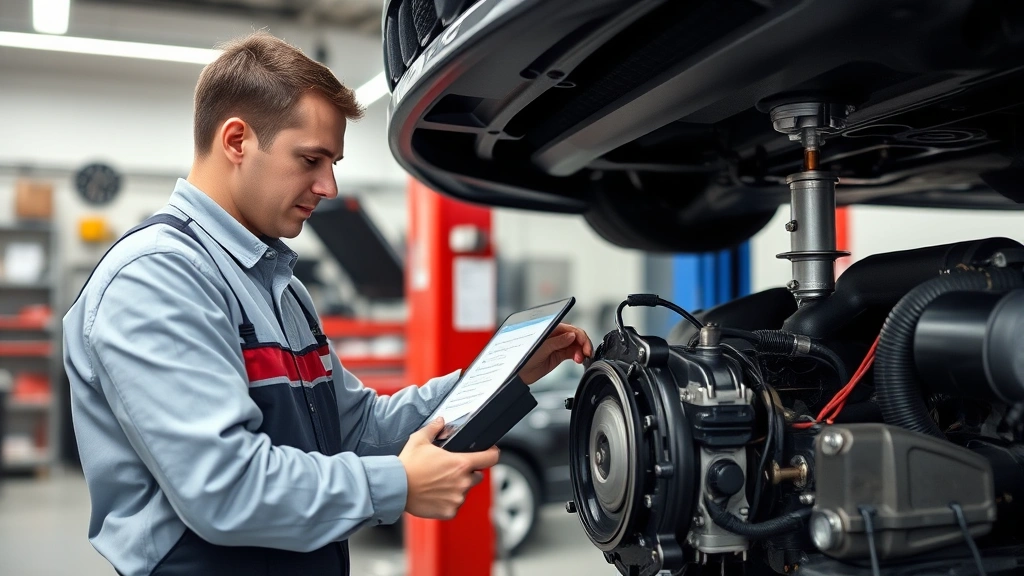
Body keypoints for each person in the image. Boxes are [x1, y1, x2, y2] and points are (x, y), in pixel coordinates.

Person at [63, 31, 592, 576]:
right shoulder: (157, 277)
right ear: (237, 141)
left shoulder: (281, 287)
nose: (329, 186)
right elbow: (223, 487)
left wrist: (502, 376)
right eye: (311, 159)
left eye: (332, 162)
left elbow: (357, 428)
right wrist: (398, 484)